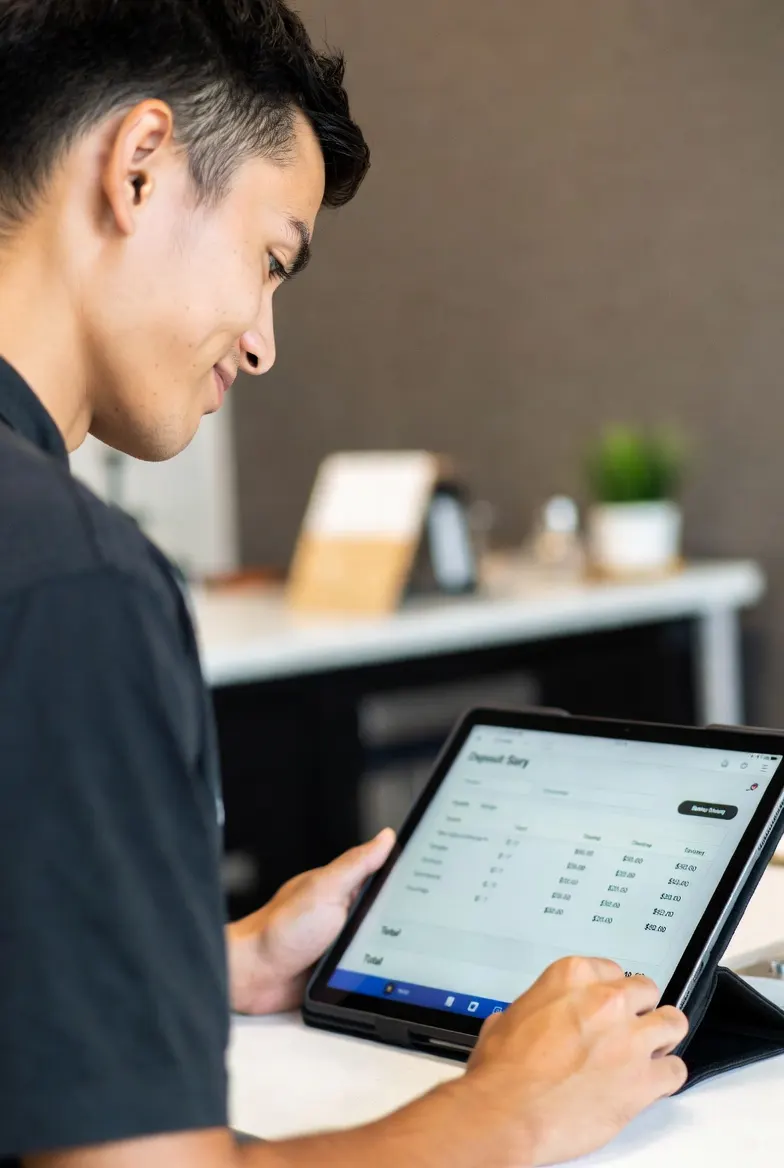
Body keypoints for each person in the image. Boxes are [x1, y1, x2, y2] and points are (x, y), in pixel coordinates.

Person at [0, 2, 688, 1166]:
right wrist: (502, 1108)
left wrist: (195, 961)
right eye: (271, 261)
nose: (263, 342)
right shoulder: (70, 583)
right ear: (142, 165)